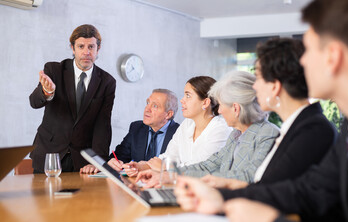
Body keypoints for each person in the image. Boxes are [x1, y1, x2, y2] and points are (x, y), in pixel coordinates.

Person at [175, 0, 348, 222]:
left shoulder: (317, 129)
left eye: (309, 50)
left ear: (333, 56)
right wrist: (221, 197)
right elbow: (307, 191)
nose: (302, 63)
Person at [201, 38, 337, 190]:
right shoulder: (295, 127)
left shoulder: (312, 130)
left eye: (258, 78)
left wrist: (221, 192)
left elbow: (274, 191)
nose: (255, 86)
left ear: (275, 86)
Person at [136, 71, 280, 188]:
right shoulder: (236, 135)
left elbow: (248, 176)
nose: (220, 111)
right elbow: (207, 166)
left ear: (235, 108)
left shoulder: (268, 133)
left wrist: (171, 174)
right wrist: (168, 175)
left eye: (222, 105)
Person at [29, 24, 116, 174]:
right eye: (81, 46)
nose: (86, 52)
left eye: (91, 47)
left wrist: (98, 161)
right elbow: (34, 102)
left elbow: (103, 125)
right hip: (48, 155)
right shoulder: (54, 70)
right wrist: (47, 92)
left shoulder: (107, 82)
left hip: (82, 161)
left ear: (98, 49)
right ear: (72, 48)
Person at [124, 76, 232, 177]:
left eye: (188, 95)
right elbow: (170, 156)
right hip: (180, 185)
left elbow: (200, 168)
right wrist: (142, 166)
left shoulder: (221, 129)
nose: (182, 100)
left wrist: (165, 167)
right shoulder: (187, 124)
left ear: (205, 103)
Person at [103, 89, 179, 173]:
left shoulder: (179, 133)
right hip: (136, 183)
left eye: (155, 106)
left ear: (168, 114)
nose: (147, 109)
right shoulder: (136, 128)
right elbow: (119, 156)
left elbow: (180, 168)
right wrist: (114, 162)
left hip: (164, 183)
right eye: (147, 103)